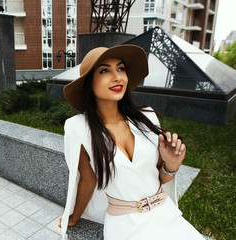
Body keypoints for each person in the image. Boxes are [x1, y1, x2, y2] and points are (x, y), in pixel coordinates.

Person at [59, 45, 204, 240]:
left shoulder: (147, 117)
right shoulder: (78, 128)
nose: (117, 76)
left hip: (165, 215)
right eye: (104, 70)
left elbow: (159, 178)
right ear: (89, 83)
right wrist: (74, 217)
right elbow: (87, 179)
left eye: (121, 69)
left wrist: (171, 165)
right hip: (124, 225)